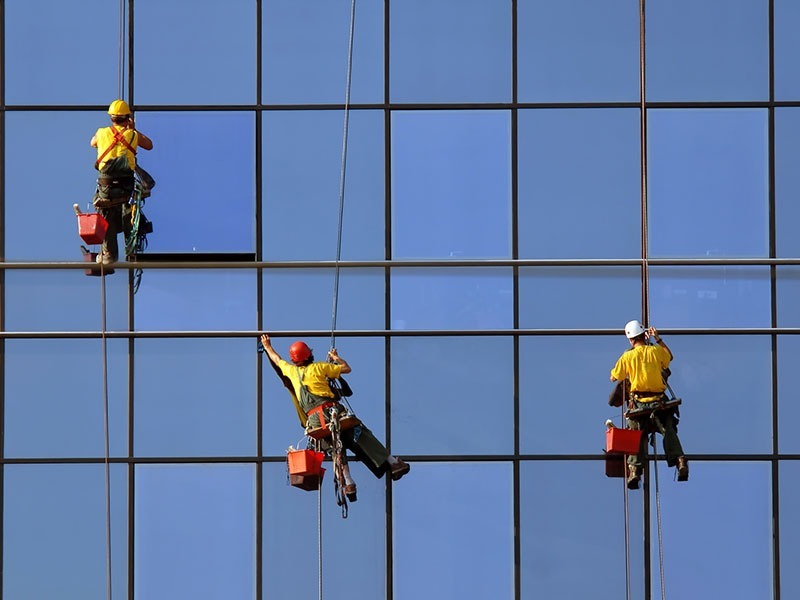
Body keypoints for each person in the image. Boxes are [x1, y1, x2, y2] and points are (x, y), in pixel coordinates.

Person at [259, 333, 410, 501]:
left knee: (336, 448)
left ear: (295, 360)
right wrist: (336, 358)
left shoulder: (291, 371)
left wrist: (268, 346)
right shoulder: (319, 367)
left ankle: (348, 482)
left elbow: (277, 359)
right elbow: (346, 369)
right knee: (360, 433)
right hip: (331, 412)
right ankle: (392, 462)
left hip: (315, 422)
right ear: (309, 355)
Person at [610, 320, 689, 489]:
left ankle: (635, 471)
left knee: (634, 435)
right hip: (659, 401)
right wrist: (658, 339)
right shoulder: (655, 351)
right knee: (668, 430)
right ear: (643, 335)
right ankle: (680, 460)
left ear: (631, 340)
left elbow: (615, 376)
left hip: (640, 404)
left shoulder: (628, 356)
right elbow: (669, 357)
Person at [90, 99, 153, 265]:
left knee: (106, 212)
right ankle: (131, 250)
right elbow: (149, 145)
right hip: (126, 187)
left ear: (111, 118)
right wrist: (131, 129)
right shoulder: (132, 135)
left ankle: (109, 254)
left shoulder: (102, 132)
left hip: (107, 188)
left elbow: (92, 143)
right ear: (127, 118)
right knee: (128, 210)